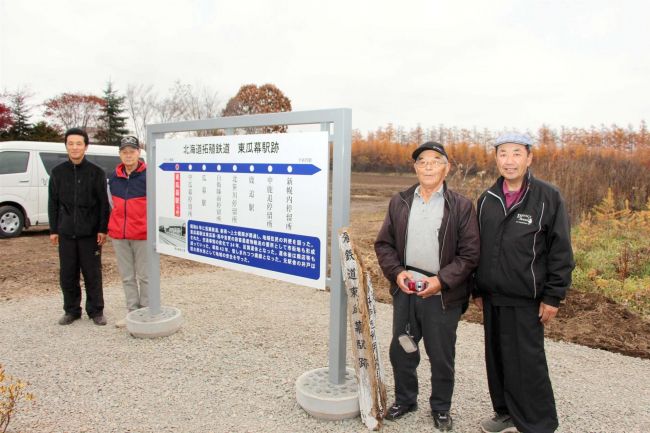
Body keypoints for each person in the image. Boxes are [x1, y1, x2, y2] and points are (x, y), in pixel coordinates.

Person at [473, 133, 575, 433]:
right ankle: (505, 413)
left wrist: (553, 296)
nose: (509, 160)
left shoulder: (547, 197)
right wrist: (477, 288)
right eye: (503, 153)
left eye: (516, 153)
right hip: (492, 297)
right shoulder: (487, 199)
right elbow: (478, 247)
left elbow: (561, 251)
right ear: (496, 159)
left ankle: (538, 424)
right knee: (498, 360)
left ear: (529, 158)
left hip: (526, 298)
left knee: (527, 364)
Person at [375, 142, 480, 431]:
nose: (429, 166)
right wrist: (397, 274)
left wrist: (440, 281)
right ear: (415, 168)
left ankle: (441, 407)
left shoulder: (460, 206)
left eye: (436, 161)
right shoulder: (400, 202)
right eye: (422, 161)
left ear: (447, 168)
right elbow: (384, 244)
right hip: (407, 289)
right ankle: (406, 399)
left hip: (442, 293)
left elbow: (470, 255)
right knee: (402, 348)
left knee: (441, 354)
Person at [49, 127, 110, 326]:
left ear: (85, 146)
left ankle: (96, 311)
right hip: (66, 232)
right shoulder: (58, 172)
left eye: (79, 143)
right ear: (66, 146)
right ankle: (71, 310)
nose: (74, 147)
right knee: (68, 273)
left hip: (90, 233)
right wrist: (54, 230)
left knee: (92, 273)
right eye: (71, 143)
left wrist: (102, 229)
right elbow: (53, 203)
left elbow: (103, 204)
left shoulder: (96, 172)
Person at [108, 136, 149, 328]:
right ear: (120, 154)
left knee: (145, 276)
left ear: (138, 153)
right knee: (127, 277)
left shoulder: (149, 176)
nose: (128, 155)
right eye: (124, 152)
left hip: (143, 234)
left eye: (132, 151)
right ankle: (132, 313)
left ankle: (147, 311)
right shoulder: (114, 178)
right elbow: (111, 204)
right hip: (120, 235)